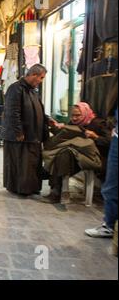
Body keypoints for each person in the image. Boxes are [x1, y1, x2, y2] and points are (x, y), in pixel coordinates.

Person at [37, 102, 112, 204]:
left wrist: (96, 137)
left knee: (65, 154)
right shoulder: (73, 125)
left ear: (85, 113)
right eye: (72, 115)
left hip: (93, 157)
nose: (75, 118)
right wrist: (55, 127)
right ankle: (61, 190)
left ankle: (57, 191)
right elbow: (64, 136)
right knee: (64, 154)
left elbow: (110, 142)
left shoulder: (98, 124)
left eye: (78, 115)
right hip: (75, 157)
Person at [2, 64, 52, 197]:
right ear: (33, 75)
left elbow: (38, 110)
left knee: (31, 163)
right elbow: (13, 112)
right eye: (41, 78)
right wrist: (18, 132)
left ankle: (31, 187)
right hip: (21, 136)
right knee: (21, 163)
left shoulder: (32, 91)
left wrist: (48, 120)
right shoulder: (16, 89)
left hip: (33, 135)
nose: (41, 81)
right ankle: (20, 188)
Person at [86, 108, 117, 238]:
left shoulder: (98, 124)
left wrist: (96, 137)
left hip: (105, 153)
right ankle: (110, 226)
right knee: (110, 188)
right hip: (116, 140)